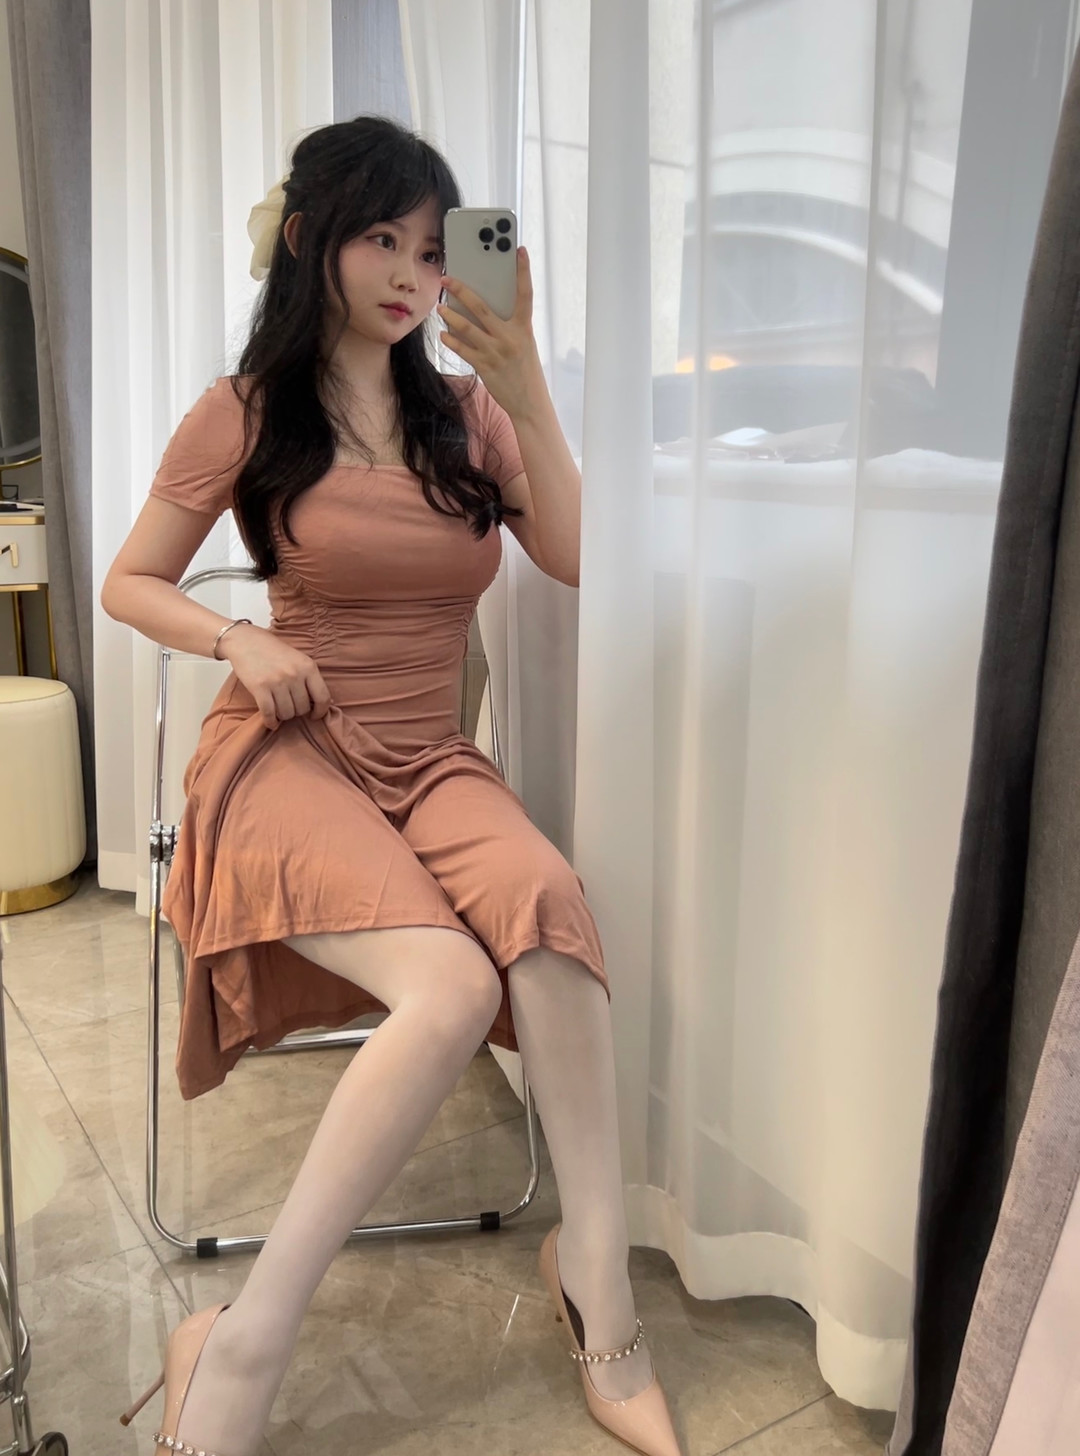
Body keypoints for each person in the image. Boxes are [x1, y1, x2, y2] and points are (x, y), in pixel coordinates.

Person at [103, 114, 682, 1456]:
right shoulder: (244, 411)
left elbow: (578, 555)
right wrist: (238, 637)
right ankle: (242, 1344)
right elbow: (131, 579)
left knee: (549, 912)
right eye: (383, 239)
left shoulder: (466, 413)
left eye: (434, 248)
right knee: (452, 984)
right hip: (288, 750)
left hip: (431, 755)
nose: (415, 274)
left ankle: (599, 1287)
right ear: (311, 238)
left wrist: (524, 379)